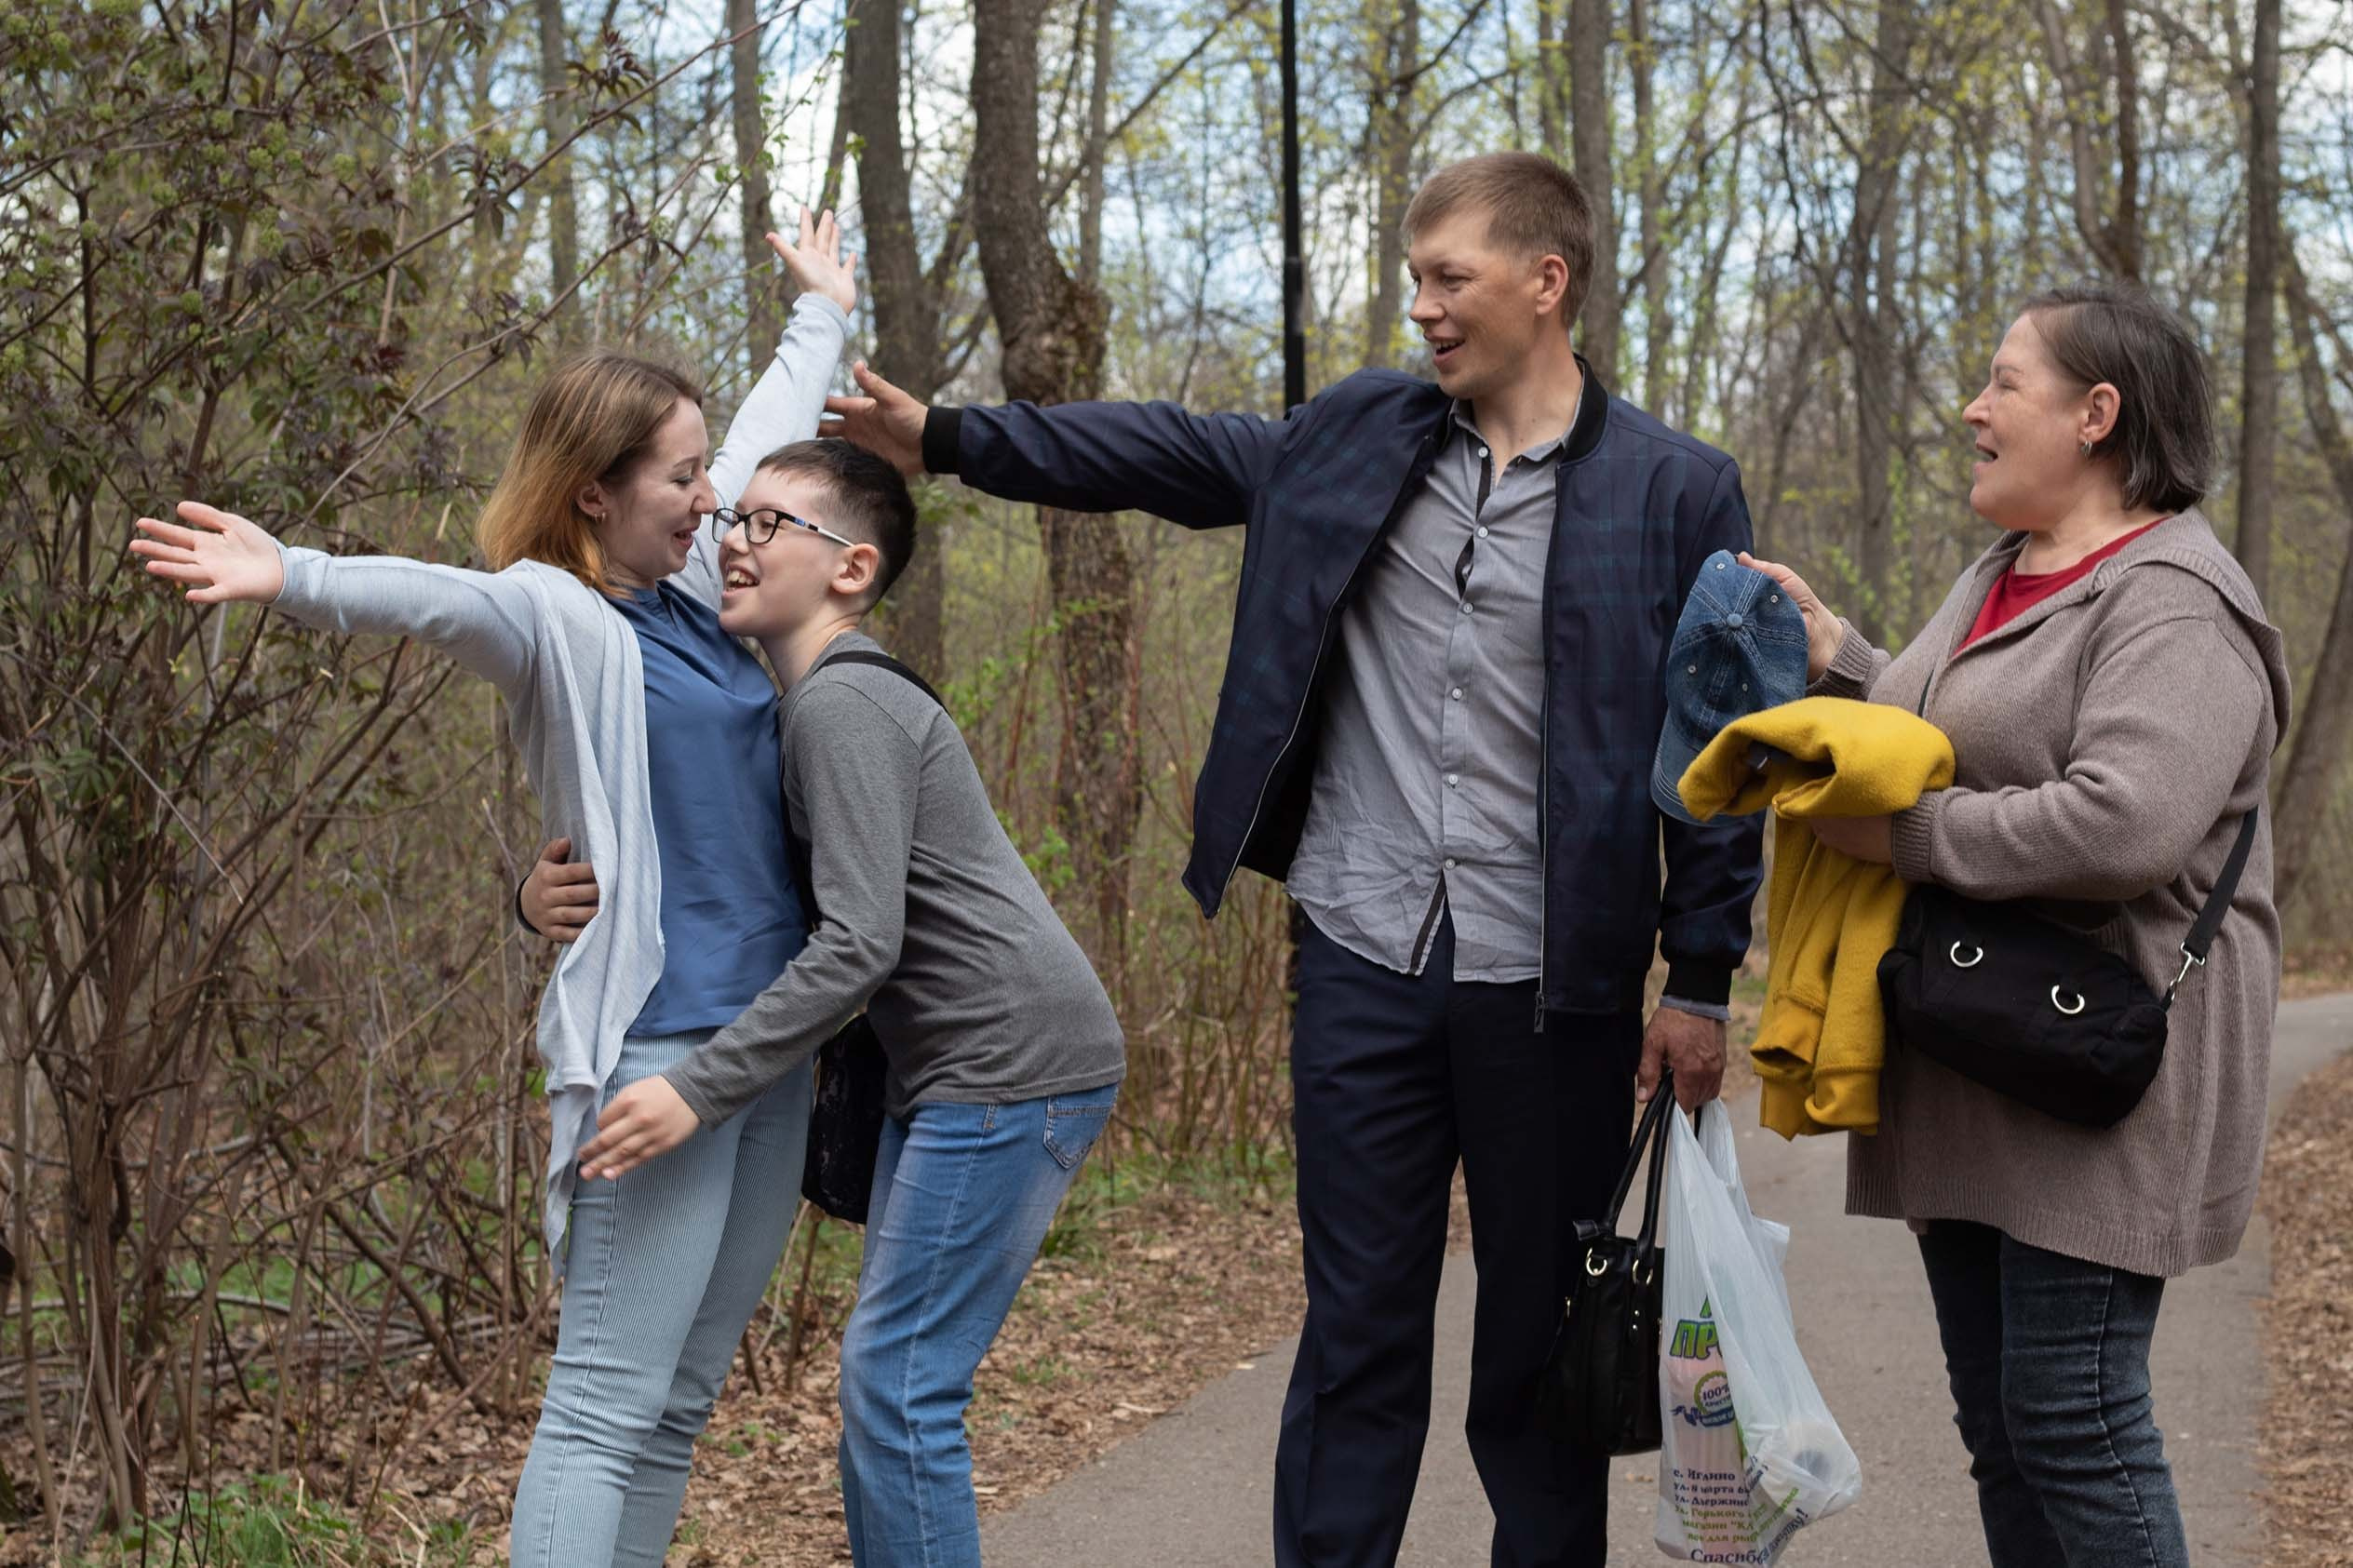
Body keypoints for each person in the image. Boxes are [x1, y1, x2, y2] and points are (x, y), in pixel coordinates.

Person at [823, 151, 1762, 1568]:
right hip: (1363, 962)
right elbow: (1175, 454)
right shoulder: (1360, 434)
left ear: (1544, 282)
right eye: (1416, 284)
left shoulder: (1678, 492)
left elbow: (1721, 743)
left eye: (1450, 279)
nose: (1427, 310)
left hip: (1552, 986)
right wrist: (952, 438)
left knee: (1535, 1349)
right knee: (1357, 1335)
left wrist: (1699, 971)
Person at [129, 212, 858, 1568]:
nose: (713, 498)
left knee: (680, 1401)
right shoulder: (553, 612)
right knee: (600, 1406)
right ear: (595, 490)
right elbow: (436, 599)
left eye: (710, 476)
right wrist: (287, 573)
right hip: (658, 1058)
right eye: (683, 478)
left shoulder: (705, 594)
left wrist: (821, 309)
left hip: (772, 1051)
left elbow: (765, 425)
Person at [1744, 283, 2290, 1568]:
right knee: (2005, 1429)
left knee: (2076, 1420)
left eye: (2004, 384)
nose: (1974, 410)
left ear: (2097, 414)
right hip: (1977, 1052)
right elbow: (1947, 732)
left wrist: (1906, 838)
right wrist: (1840, 657)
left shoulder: (2174, 598)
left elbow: (2124, 825)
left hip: (2092, 1065)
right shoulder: (2001, 568)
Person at [526, 437, 1126, 1568]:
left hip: (1007, 1065)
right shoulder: (795, 697)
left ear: (847, 569)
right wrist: (536, 891)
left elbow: (858, 943)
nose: (729, 541)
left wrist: (694, 1092)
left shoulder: (838, 705)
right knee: (892, 1383)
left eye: (764, 525)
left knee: (897, 1388)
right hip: (970, 1065)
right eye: (729, 516)